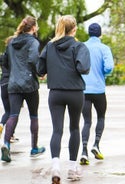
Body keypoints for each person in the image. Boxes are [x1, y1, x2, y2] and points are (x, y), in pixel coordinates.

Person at [37, 15, 90, 183]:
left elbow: (40, 70)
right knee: (74, 128)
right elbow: (84, 68)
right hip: (75, 92)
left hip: (55, 94)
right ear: (74, 29)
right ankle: (73, 169)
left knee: (57, 130)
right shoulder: (79, 46)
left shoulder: (49, 46)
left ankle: (55, 167)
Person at [1, 16, 45, 162]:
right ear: (33, 28)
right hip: (29, 84)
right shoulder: (33, 42)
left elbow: (5, 61)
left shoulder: (12, 42)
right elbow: (33, 60)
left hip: (13, 83)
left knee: (13, 114)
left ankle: (6, 143)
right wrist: (39, 73)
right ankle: (34, 148)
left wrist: (14, 72)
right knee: (33, 115)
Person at [79, 23, 114, 165]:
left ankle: (84, 151)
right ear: (100, 34)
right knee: (101, 117)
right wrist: (103, 74)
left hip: (84, 90)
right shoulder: (104, 48)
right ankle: (96, 144)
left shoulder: (81, 47)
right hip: (99, 90)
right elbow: (109, 67)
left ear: (88, 33)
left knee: (87, 121)